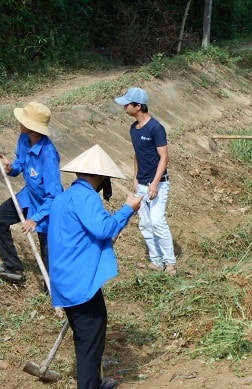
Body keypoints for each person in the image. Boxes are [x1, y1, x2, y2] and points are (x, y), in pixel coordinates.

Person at [48, 144, 142, 389]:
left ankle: (94, 381)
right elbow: (104, 229)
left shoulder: (64, 197)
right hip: (80, 282)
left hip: (66, 280)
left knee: (86, 335)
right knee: (91, 337)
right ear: (101, 177)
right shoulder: (85, 196)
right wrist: (128, 209)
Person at [115, 87, 177, 275]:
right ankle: (156, 261)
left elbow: (164, 158)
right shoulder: (134, 128)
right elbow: (137, 156)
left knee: (157, 221)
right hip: (141, 184)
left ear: (138, 106)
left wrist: (155, 183)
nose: (124, 107)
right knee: (145, 223)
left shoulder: (156, 128)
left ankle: (170, 263)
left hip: (157, 184)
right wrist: (135, 179)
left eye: (127, 104)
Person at [0, 102, 63, 282]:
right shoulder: (23, 139)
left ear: (31, 126)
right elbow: (20, 164)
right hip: (28, 197)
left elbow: (54, 196)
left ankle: (55, 293)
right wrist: (10, 167)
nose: (19, 123)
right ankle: (12, 267)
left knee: (49, 257)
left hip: (47, 208)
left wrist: (35, 218)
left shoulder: (48, 154)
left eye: (23, 120)